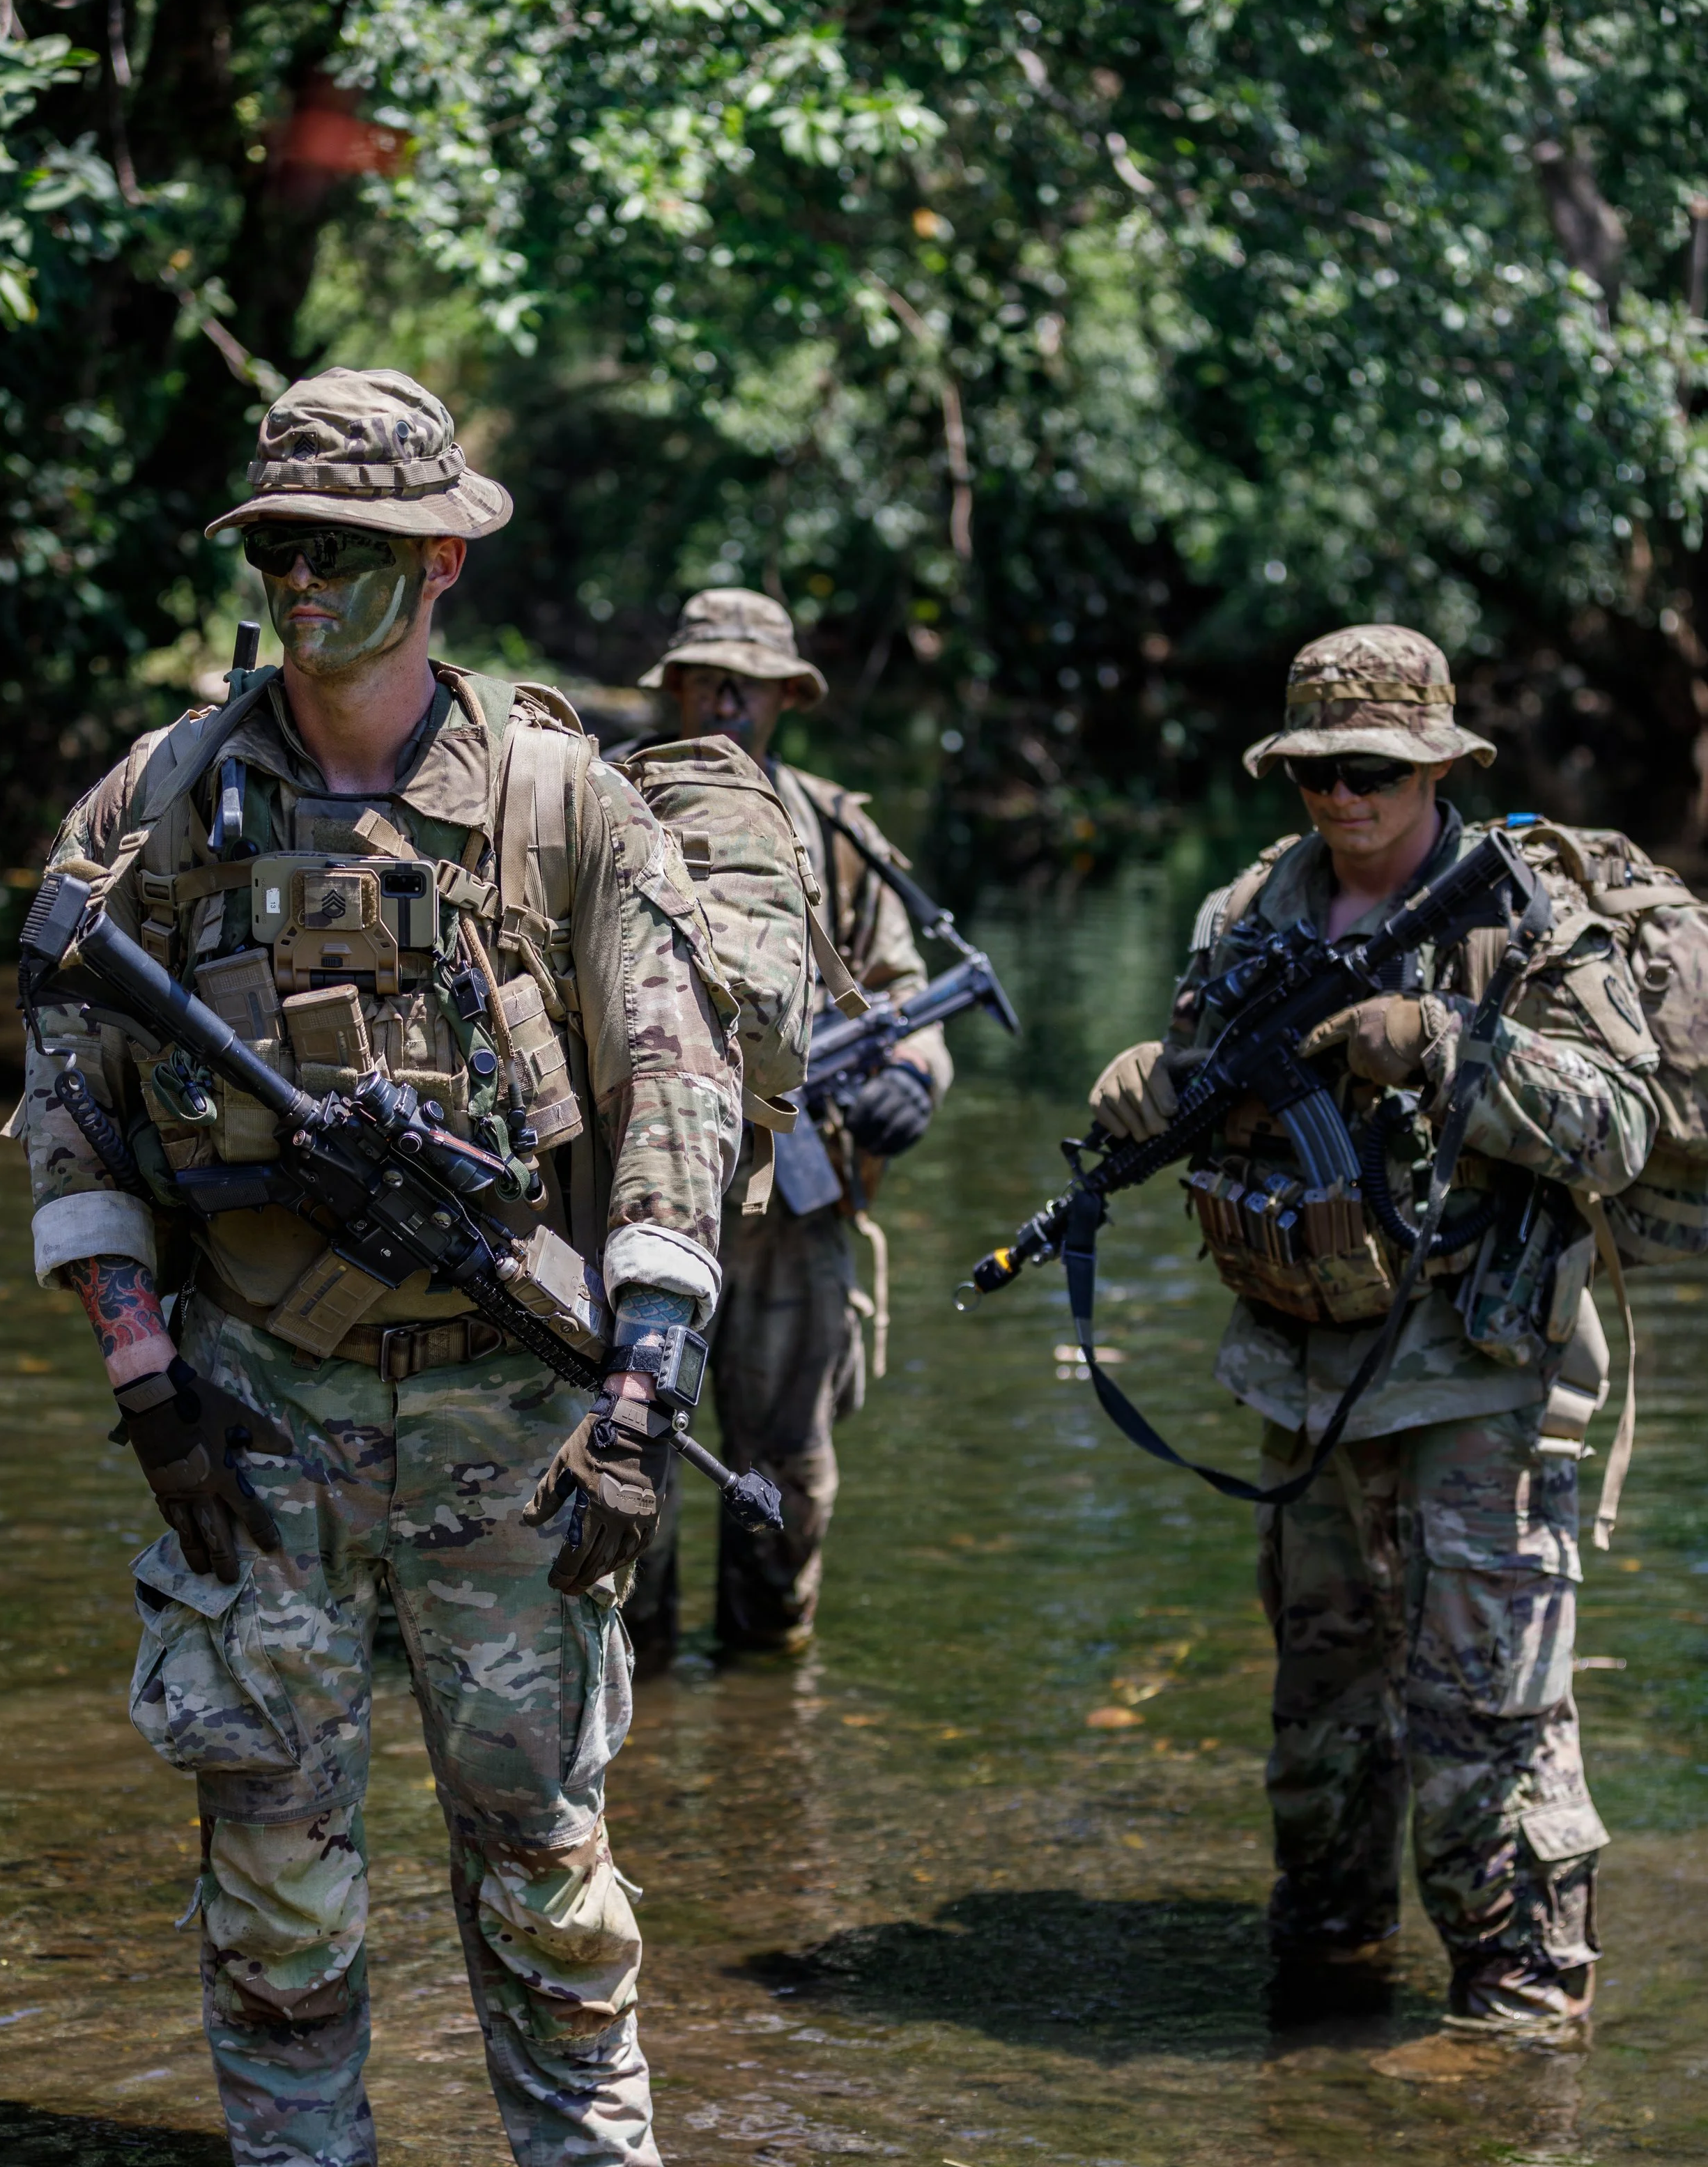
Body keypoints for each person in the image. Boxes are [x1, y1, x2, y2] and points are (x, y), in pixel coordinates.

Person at [15, 368, 793, 2167]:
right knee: (271, 1838)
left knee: (542, 1837)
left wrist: (643, 1382)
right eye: (279, 545)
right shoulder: (163, 800)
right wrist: (143, 1386)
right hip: (255, 1404)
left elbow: (679, 1084)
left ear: (441, 560)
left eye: (348, 549)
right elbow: (73, 1093)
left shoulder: (559, 801)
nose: (305, 580)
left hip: (512, 1411)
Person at [1088, 626, 1659, 2045]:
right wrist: (1153, 1090)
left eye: (1372, 774)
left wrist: (1448, 1042)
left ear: (1440, 769)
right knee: (1322, 1726)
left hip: (1477, 1379)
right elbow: (1220, 1102)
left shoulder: (1518, 919)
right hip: (1303, 1371)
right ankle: (1327, 2032)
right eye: (1315, 775)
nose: (1342, 801)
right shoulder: (1244, 913)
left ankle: (1522, 2036)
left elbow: (1623, 1129)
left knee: (1484, 1731)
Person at [624, 589, 953, 1661]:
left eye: (747, 682)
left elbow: (908, 998)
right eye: (705, 677)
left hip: (793, 1210)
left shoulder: (836, 831)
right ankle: (639, 1693)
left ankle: (771, 1701)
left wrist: (914, 1074)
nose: (724, 699)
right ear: (672, 684)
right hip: (625, 1201)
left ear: (786, 696)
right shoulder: (600, 799)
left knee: (790, 1476)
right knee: (627, 1468)